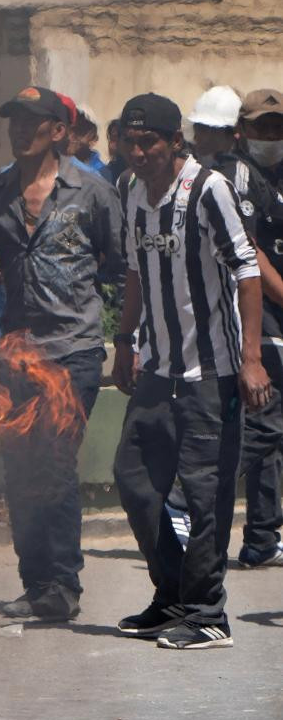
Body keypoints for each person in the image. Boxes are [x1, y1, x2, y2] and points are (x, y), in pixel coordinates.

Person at [0, 86, 124, 622]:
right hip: (16, 355)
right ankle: (34, 581)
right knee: (19, 470)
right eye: (14, 120)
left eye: (33, 122)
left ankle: (63, 584)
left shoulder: (91, 191)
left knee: (56, 465)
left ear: (59, 131)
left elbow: (120, 260)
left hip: (74, 353)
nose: (20, 129)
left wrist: (120, 328)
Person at [111, 92, 269, 649]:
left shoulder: (208, 190)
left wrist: (250, 360)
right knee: (134, 480)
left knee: (207, 496)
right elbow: (134, 271)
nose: (138, 152)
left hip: (213, 374)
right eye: (129, 142)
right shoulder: (131, 192)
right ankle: (172, 595)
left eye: (148, 141)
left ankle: (208, 615)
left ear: (174, 141)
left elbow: (247, 273)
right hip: (156, 369)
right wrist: (124, 340)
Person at [230, 88, 283, 567]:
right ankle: (184, 500)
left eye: (278, 127)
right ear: (242, 131)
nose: (271, 136)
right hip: (255, 316)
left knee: (272, 432)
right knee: (265, 426)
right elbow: (250, 253)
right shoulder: (236, 176)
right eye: (262, 127)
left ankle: (263, 537)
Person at [67, 106, 111, 179]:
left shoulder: (101, 172)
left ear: (94, 139)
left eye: (81, 130)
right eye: (72, 128)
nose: (73, 135)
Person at [105, 118, 128, 184]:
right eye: (110, 139)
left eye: (115, 139)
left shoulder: (138, 172)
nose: (110, 145)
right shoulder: (108, 171)